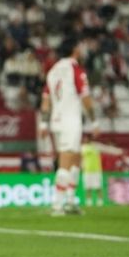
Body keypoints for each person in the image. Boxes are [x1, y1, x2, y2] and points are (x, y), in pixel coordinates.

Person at [41, 38, 98, 216]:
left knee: (75, 158)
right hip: (70, 120)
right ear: (74, 49)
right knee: (66, 160)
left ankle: (71, 200)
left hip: (57, 120)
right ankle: (58, 204)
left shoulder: (53, 70)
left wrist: (43, 123)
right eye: (80, 46)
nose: (83, 50)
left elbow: (45, 99)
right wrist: (94, 121)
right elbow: (86, 97)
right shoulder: (74, 68)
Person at [81, 134, 104, 206]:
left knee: (98, 187)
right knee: (88, 187)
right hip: (87, 171)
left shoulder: (96, 146)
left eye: (87, 138)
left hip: (96, 170)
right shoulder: (82, 148)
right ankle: (89, 202)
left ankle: (100, 202)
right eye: (84, 139)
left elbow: (107, 149)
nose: (85, 140)